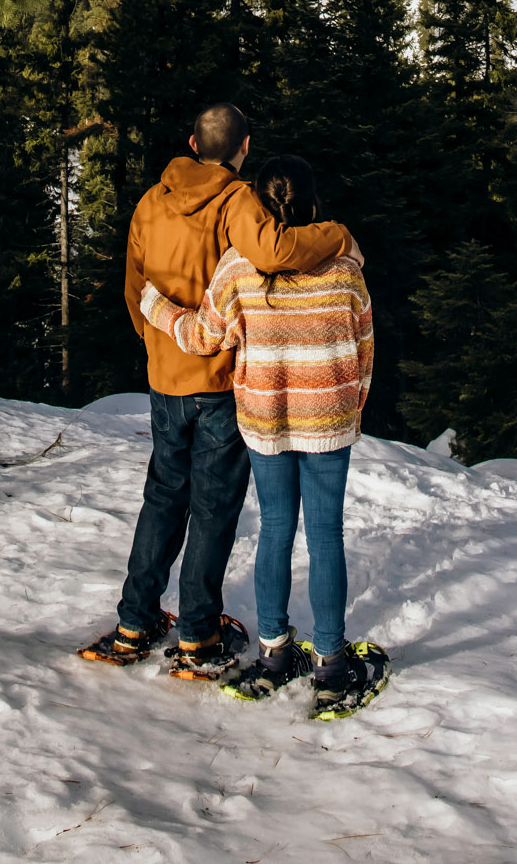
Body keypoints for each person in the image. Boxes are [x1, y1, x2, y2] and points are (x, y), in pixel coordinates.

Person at [77, 103, 353, 681]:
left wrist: (160, 351)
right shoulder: (236, 201)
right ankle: (198, 636)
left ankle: (135, 620)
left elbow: (135, 289)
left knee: (162, 497)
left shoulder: (152, 202)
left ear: (190, 142)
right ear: (243, 147)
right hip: (221, 380)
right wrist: (333, 233)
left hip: (165, 375)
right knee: (212, 508)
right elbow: (276, 253)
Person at [138, 153, 388, 715]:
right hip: (328, 418)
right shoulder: (347, 271)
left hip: (264, 419)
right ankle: (330, 661)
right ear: (313, 203)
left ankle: (275, 653)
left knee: (275, 528)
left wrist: (155, 306)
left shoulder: (236, 268)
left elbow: (204, 338)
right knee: (325, 534)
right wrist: (349, 407)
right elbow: (365, 350)